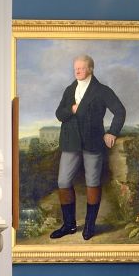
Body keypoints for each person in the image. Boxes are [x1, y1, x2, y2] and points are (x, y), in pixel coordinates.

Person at [51, 54, 126, 240]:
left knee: (92, 182)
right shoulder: (70, 89)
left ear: (90, 69)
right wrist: (71, 110)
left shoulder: (102, 90)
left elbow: (120, 111)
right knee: (63, 182)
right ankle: (69, 226)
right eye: (75, 68)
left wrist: (112, 132)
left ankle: (89, 226)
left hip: (93, 142)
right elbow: (59, 114)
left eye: (81, 68)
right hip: (70, 142)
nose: (77, 71)